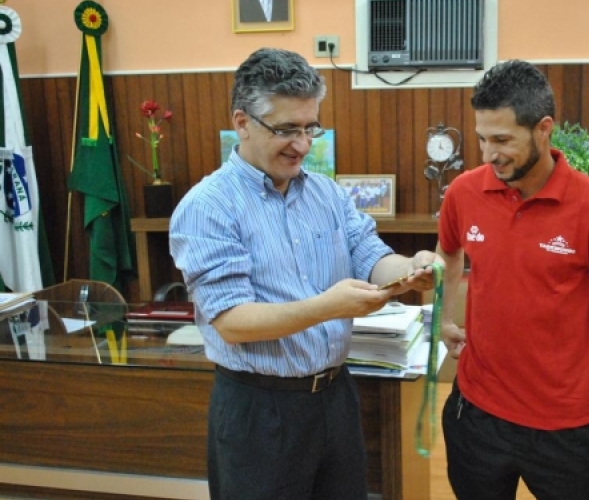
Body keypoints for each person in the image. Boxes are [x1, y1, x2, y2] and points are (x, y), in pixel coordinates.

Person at [169, 47, 442, 500]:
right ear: (242, 123)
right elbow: (232, 322)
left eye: (310, 127)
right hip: (259, 409)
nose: (302, 144)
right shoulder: (208, 207)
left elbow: (370, 255)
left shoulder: (327, 195)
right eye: (286, 129)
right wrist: (327, 308)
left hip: (335, 398)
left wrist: (410, 270)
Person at [436, 60, 589, 500]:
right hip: (475, 414)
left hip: (567, 426)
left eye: (502, 140)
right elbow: (448, 255)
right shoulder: (463, 193)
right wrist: (441, 318)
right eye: (481, 139)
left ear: (543, 128)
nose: (488, 154)